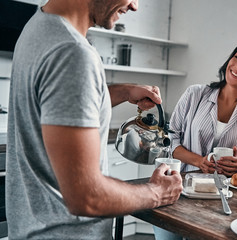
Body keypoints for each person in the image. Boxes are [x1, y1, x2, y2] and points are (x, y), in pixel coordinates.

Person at [6, 0, 183, 239]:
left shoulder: (38, 26)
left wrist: (123, 92)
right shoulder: (72, 53)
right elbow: (86, 195)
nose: (135, 6)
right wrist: (156, 193)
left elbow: (57, 105)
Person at [153, 39, 237, 240]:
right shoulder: (195, 94)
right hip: (177, 189)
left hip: (221, 197)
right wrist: (198, 161)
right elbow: (170, 139)